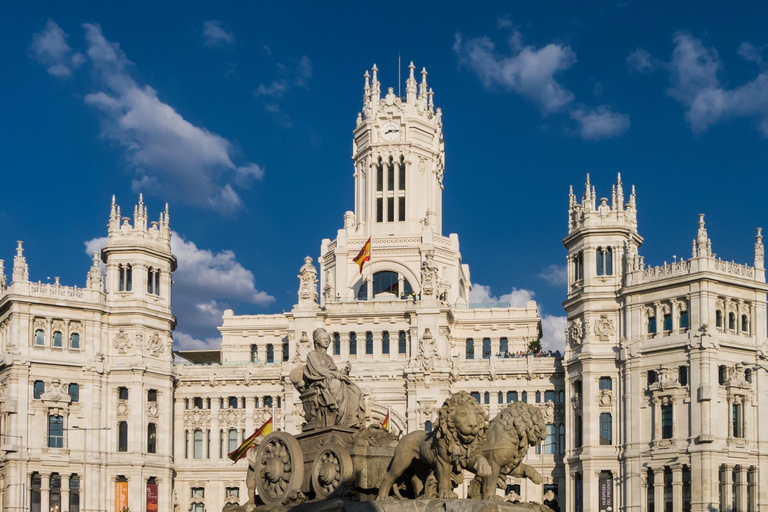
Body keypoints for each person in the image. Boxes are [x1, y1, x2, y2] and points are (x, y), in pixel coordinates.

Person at [291, 328, 365, 428]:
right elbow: (318, 370)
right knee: (336, 384)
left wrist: (345, 371)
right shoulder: (312, 355)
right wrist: (338, 375)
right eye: (323, 338)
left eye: (327, 338)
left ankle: (350, 419)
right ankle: (338, 418)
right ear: (317, 341)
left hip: (331, 380)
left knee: (354, 389)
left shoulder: (329, 358)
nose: (327, 341)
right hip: (319, 382)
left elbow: (334, 372)